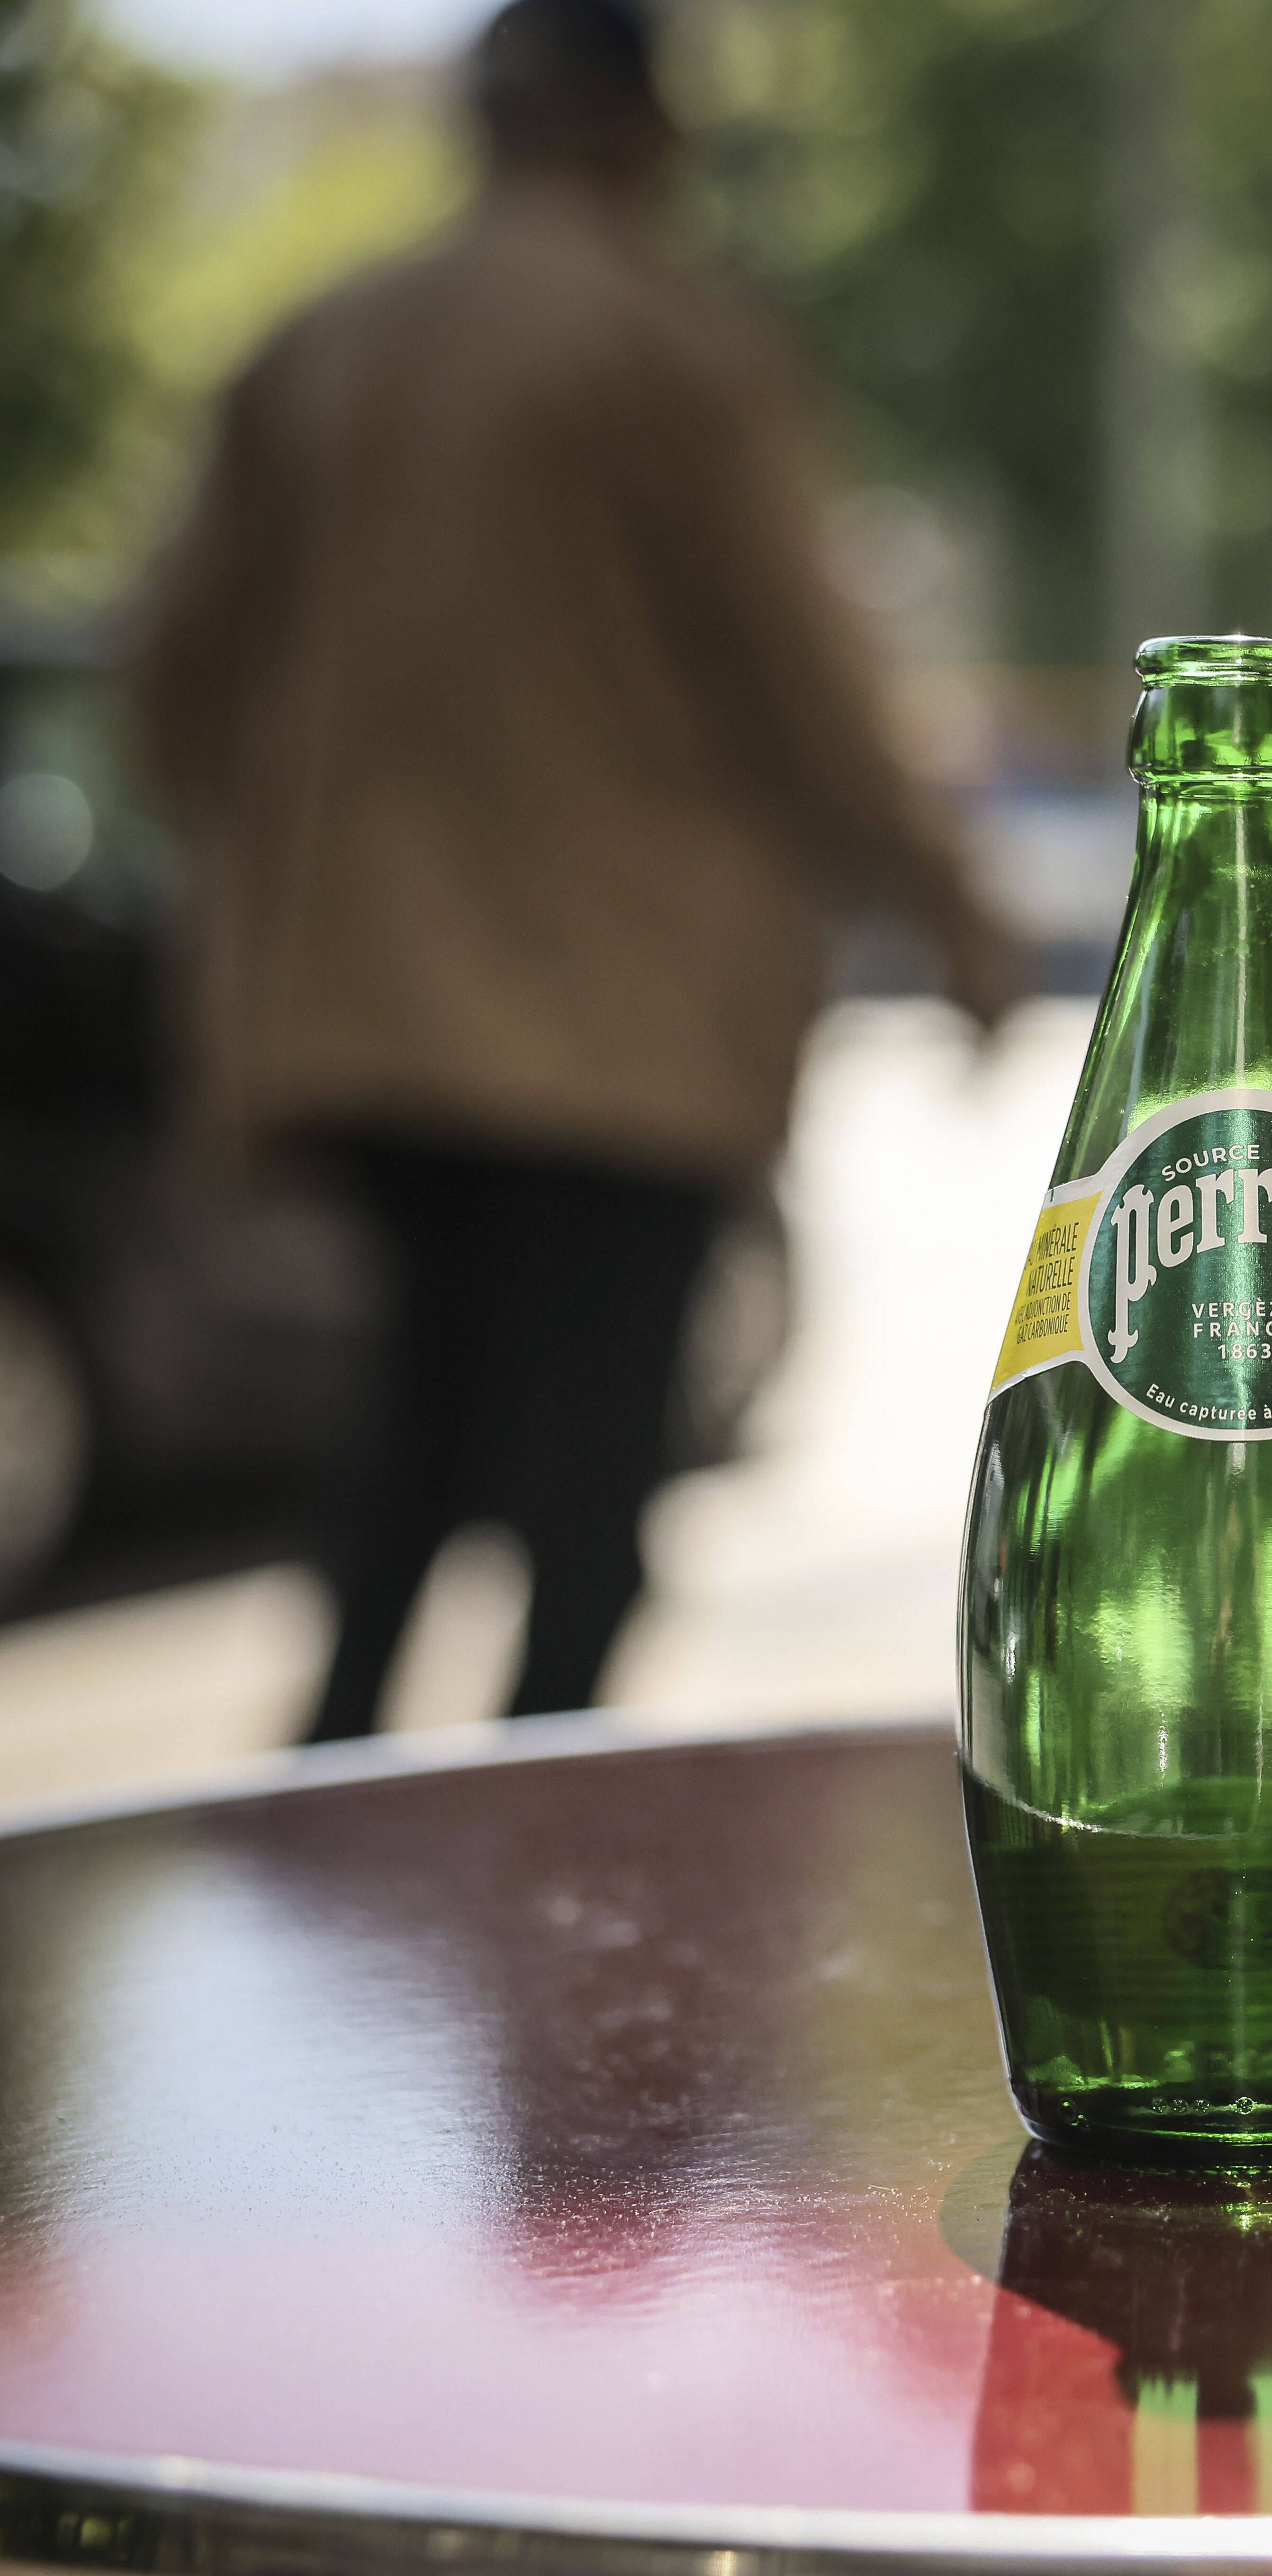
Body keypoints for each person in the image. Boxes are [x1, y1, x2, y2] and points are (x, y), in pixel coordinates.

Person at [121, 0, 1013, 1744]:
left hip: (373, 1008)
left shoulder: (317, 347)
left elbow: (170, 684)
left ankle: (333, 1827)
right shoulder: (670, 351)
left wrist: (292, 856)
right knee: (591, 1500)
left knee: (410, 1446)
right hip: (619, 1016)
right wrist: (964, 923)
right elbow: (818, 681)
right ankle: (525, 1874)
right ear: (642, 133)